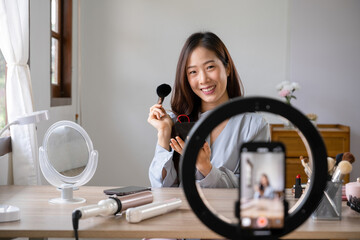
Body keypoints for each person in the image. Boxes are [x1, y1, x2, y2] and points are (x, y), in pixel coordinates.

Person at [148, 31, 270, 188]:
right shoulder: (175, 122)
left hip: (226, 213)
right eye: (193, 72)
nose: (203, 79)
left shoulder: (254, 125)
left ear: (227, 68)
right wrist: (164, 133)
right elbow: (160, 189)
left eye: (210, 67)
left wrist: (206, 167)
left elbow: (255, 189)